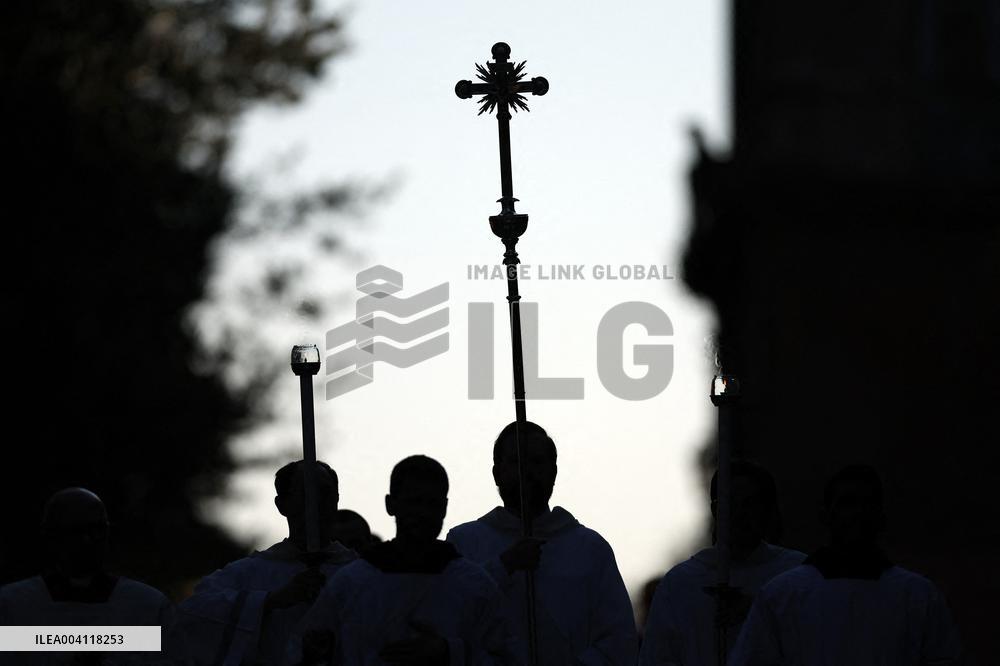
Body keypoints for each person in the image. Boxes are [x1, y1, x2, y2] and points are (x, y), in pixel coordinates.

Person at [728, 464, 963, 666]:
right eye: (847, 503)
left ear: (880, 516)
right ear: (826, 514)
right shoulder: (781, 596)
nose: (857, 514)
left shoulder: (918, 597)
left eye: (867, 504)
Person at [447, 422, 638, 665]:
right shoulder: (465, 543)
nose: (526, 472)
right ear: (496, 473)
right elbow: (450, 623)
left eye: (536, 462)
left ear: (553, 471)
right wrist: (503, 566)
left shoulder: (590, 549)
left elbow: (619, 639)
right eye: (516, 462)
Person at [293, 455, 514, 665]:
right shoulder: (351, 584)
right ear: (391, 504)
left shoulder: (475, 586)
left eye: (432, 504)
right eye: (414, 502)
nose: (423, 513)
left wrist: (449, 652)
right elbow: (305, 651)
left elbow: (507, 656)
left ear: (445, 508)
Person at [172, 460, 355, 665]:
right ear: (282, 505)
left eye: (324, 492)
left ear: (337, 499)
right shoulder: (248, 573)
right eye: (304, 493)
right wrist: (269, 601)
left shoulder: (361, 573)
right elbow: (191, 616)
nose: (315, 502)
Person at [639, 460, 804, 665]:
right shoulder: (680, 584)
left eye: (749, 504)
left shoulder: (797, 575)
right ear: (715, 510)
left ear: (767, 511)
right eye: (731, 504)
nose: (740, 515)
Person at [0, 487, 174, 665]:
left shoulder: (148, 607)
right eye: (74, 531)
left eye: (95, 530)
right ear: (50, 536)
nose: (86, 540)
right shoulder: (10, 607)